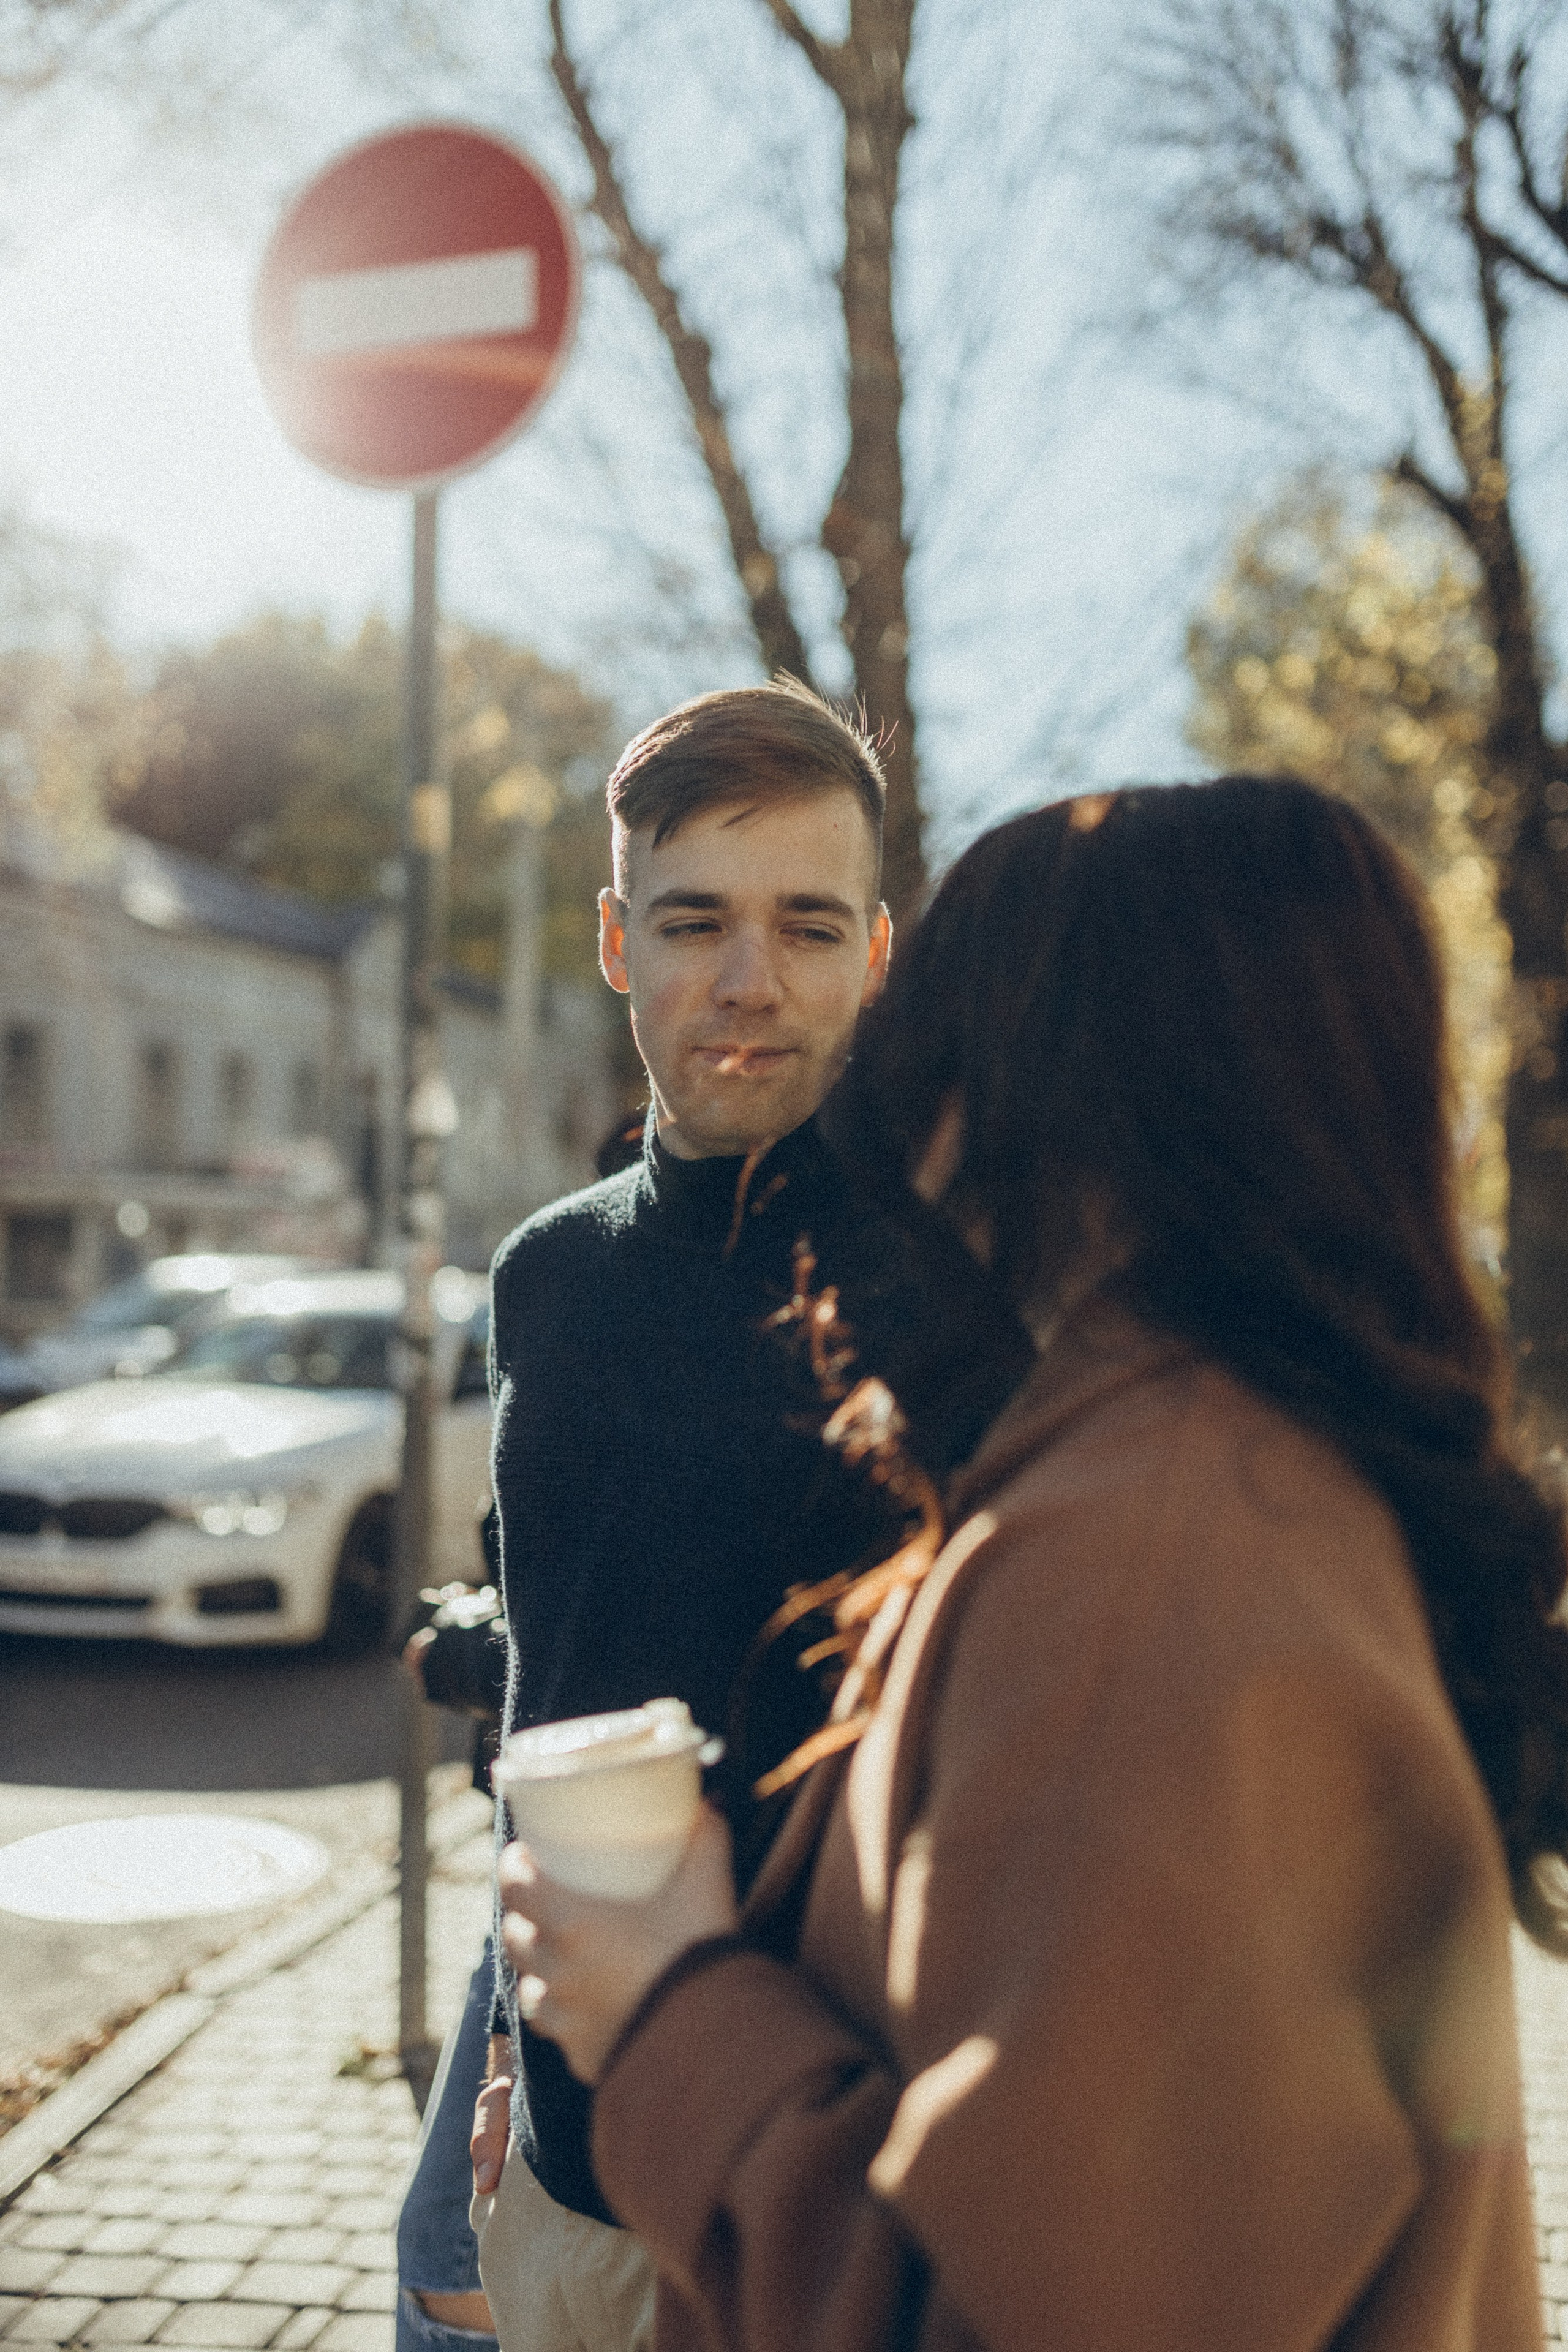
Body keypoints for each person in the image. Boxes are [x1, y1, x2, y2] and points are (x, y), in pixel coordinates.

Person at [500, 774, 1568, 2351]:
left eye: (943, 1061)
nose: (914, 1142)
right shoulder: (1261, 1470)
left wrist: (669, 2012)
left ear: (1059, 1103)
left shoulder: (1153, 1556)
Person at [422, 680, 1031, 2352]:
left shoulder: (968, 1296)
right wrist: (503, 2056)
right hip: (565, 2185)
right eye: (695, 923)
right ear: (618, 944)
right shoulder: (545, 1276)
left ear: (878, 956)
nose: (750, 981)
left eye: (807, 927)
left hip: (831, 2205)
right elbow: (554, 1695)